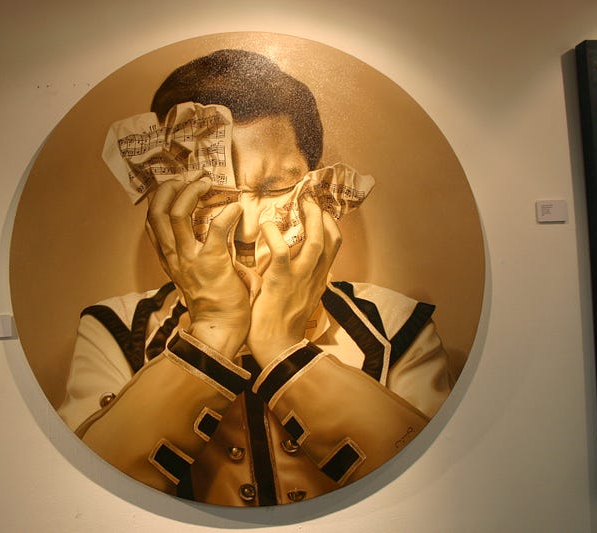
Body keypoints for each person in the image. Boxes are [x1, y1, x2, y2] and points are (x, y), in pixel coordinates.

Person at [57, 49, 454, 506]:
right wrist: (213, 330)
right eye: (212, 192)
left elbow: (435, 495)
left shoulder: (396, 325)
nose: (244, 228)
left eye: (275, 187)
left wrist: (283, 348)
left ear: (316, 188)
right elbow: (83, 502)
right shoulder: (116, 329)